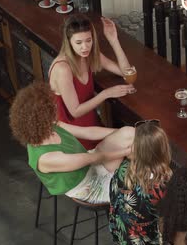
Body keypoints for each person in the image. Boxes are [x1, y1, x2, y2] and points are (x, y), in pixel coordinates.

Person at [9, 82, 134, 204]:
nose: (56, 108)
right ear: (41, 119)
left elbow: (87, 133)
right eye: (51, 108)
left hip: (92, 164)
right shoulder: (46, 158)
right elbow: (95, 158)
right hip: (90, 187)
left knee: (130, 133)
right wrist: (125, 152)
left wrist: (120, 132)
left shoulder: (51, 126)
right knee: (142, 178)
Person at [49, 14, 135, 149]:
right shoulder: (62, 68)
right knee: (125, 147)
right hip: (73, 135)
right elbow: (75, 112)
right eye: (78, 43)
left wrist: (113, 40)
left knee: (128, 146)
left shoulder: (89, 55)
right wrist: (106, 93)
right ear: (68, 42)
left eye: (88, 40)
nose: (85, 47)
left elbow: (126, 72)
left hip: (92, 126)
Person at [108, 120, 172, 245]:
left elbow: (113, 200)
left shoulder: (123, 169)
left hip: (123, 237)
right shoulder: (161, 185)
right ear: (163, 149)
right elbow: (172, 224)